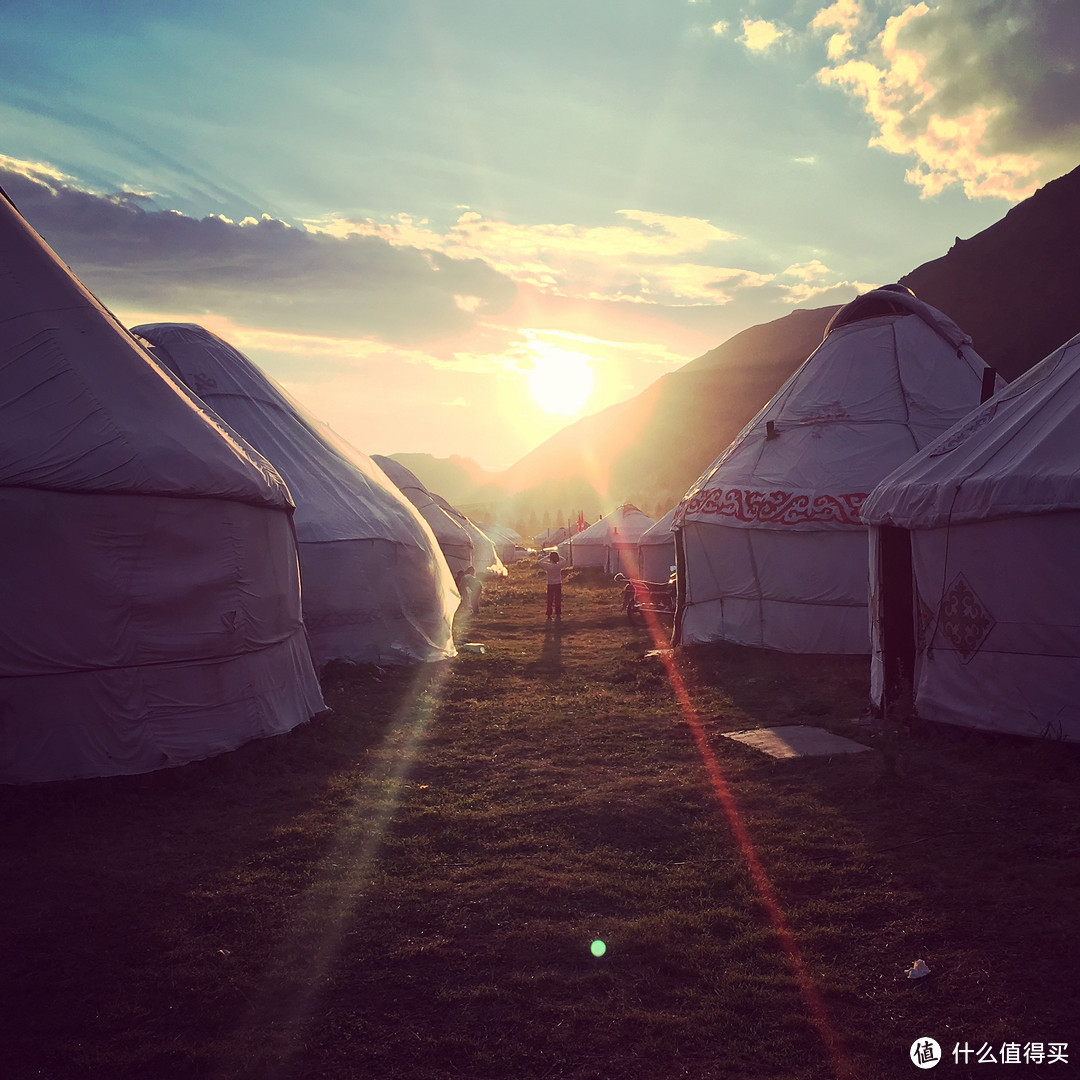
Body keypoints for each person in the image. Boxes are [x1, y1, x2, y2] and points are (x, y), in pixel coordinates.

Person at [538, 550, 569, 620]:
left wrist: (547, 556)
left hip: (550, 584)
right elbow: (564, 560)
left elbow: (539, 562)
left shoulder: (548, 566)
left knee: (550, 599)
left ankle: (549, 614)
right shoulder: (559, 565)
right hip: (558, 583)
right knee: (558, 599)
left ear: (550, 559)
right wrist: (558, 557)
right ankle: (558, 613)